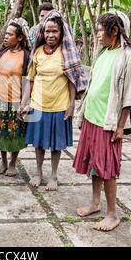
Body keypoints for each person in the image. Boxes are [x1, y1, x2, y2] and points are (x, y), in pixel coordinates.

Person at [73, 11, 131, 232]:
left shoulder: (128, 57)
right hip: (92, 117)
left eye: (102, 30)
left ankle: (112, 214)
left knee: (108, 168)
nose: (98, 34)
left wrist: (121, 126)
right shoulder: (103, 52)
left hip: (108, 122)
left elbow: (130, 95)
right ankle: (95, 202)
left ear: (115, 30)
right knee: (94, 164)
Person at [20, 10, 87, 191]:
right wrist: (24, 103)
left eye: (54, 31)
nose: (50, 35)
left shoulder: (67, 54)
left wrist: (72, 105)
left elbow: (73, 80)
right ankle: (39, 173)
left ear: (61, 33)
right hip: (38, 105)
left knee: (56, 145)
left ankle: (54, 175)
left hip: (60, 105)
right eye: (47, 31)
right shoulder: (38, 53)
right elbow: (31, 79)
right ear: (43, 33)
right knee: (39, 143)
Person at [0, 18, 31, 177]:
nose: (5, 37)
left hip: (16, 102)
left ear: (19, 38)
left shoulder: (26, 56)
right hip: (0, 100)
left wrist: (26, 103)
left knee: (15, 135)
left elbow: (28, 80)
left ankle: (13, 163)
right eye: (5, 34)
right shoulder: (1, 53)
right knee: (0, 133)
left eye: (10, 34)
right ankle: (4, 161)